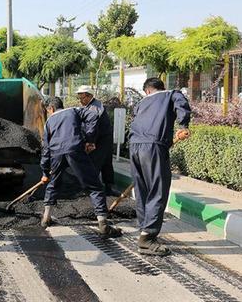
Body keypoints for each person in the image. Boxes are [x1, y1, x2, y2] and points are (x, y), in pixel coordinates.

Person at [39, 97, 122, 238]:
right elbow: (93, 115)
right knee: (94, 186)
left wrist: (45, 171)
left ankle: (45, 219)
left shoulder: (49, 121)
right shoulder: (75, 111)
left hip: (56, 153)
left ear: (50, 109)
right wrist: (89, 139)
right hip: (74, 149)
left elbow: (46, 148)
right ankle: (103, 224)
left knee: (54, 183)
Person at [129, 77, 191, 256]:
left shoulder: (141, 103)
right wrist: (183, 125)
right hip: (154, 146)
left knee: (142, 191)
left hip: (134, 146)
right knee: (158, 190)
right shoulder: (171, 94)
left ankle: (144, 230)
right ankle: (147, 238)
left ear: (147, 90)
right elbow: (182, 106)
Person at [76, 86, 116, 195]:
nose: (80, 100)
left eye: (82, 98)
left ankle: (91, 189)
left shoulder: (94, 107)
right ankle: (107, 187)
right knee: (105, 163)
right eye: (79, 98)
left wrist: (90, 142)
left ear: (90, 96)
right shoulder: (90, 106)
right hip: (101, 138)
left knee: (95, 163)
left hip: (101, 140)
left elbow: (92, 126)